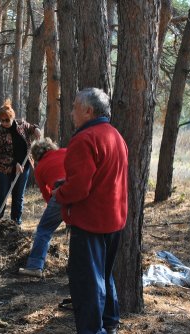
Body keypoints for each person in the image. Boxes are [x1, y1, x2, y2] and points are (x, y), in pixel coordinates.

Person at [54, 88, 128, 334]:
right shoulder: (116, 135)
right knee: (105, 276)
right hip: (114, 220)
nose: (71, 112)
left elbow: (79, 188)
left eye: (75, 106)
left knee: (88, 284)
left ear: (88, 110)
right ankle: (110, 323)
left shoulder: (84, 139)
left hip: (91, 222)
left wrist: (59, 194)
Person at [18, 138, 66, 278]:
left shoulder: (39, 168)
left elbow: (46, 194)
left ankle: (35, 266)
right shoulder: (66, 152)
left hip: (60, 194)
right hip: (79, 191)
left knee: (44, 230)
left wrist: (53, 209)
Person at [0, 99, 41, 225]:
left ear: (12, 117)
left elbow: (31, 128)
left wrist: (36, 129)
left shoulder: (21, 125)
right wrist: (14, 163)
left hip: (24, 165)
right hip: (5, 168)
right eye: (1, 120)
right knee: (2, 194)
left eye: (7, 120)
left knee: (18, 196)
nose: (4, 123)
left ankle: (15, 223)